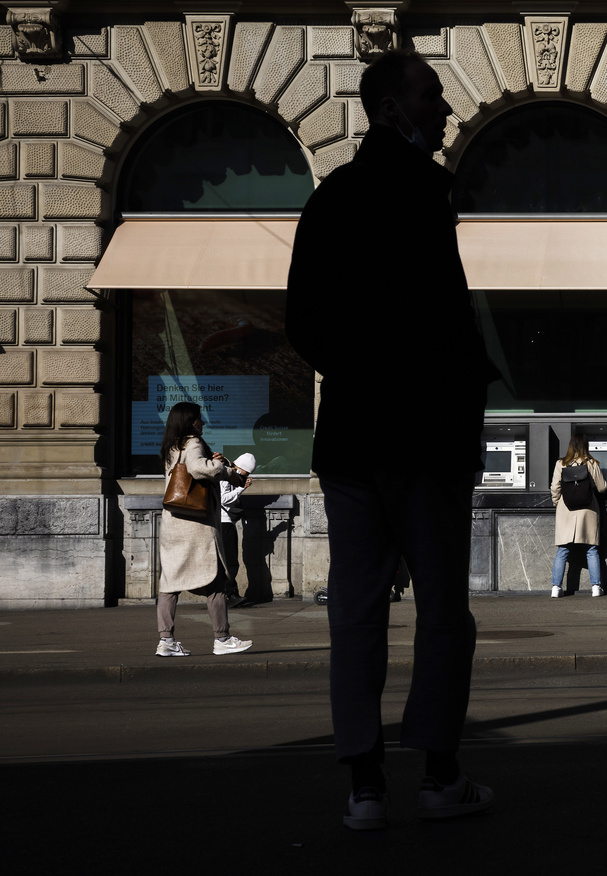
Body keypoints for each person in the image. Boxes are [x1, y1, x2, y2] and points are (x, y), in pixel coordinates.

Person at [285, 50, 496, 830]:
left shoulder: (331, 197)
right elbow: (442, 328)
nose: (443, 110)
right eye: (431, 96)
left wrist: (360, 372)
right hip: (424, 441)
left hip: (351, 440)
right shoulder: (422, 197)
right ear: (389, 108)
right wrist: (446, 389)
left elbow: (303, 322)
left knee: (357, 614)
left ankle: (363, 785)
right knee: (443, 611)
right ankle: (439, 774)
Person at [156, 402, 254, 657]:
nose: (203, 423)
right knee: (215, 580)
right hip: (195, 525)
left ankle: (166, 641)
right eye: (199, 419)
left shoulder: (171, 446)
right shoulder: (193, 442)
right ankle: (222, 639)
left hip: (173, 522)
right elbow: (198, 469)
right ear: (190, 421)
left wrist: (211, 462)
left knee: (169, 583)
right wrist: (228, 471)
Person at [550, 435, 607, 598]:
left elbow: (555, 487)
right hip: (587, 509)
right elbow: (602, 487)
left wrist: (557, 503)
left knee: (563, 550)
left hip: (566, 509)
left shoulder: (560, 463)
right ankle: (596, 587)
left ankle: (556, 587)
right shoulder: (591, 463)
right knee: (591, 549)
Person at [218, 452, 256, 608]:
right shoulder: (227, 476)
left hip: (225, 523)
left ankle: (230, 593)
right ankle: (230, 595)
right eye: (246, 472)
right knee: (231, 562)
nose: (246, 476)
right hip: (223, 523)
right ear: (242, 468)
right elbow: (223, 499)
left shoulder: (230, 475)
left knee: (228, 562)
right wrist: (242, 489)